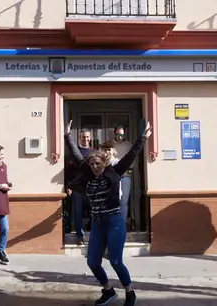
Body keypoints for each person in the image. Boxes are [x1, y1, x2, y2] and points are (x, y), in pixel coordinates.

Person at [64, 120, 152, 306]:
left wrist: (142, 138)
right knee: (93, 262)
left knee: (116, 261)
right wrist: (67, 136)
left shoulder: (114, 172)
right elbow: (76, 154)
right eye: (92, 164)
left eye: (98, 164)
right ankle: (108, 290)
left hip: (114, 222)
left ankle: (130, 293)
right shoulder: (88, 174)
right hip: (98, 224)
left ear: (104, 163)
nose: (95, 167)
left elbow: (130, 156)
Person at [66, 128, 95, 245]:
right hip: (77, 188)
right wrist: (69, 185)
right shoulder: (75, 152)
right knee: (77, 212)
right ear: (79, 138)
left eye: (87, 137)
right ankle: (80, 236)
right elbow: (69, 171)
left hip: (91, 186)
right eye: (83, 137)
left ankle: (94, 236)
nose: (85, 139)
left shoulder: (94, 152)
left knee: (94, 211)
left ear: (90, 138)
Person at [112, 125, 133, 222]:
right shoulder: (110, 145)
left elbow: (132, 161)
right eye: (118, 134)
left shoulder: (129, 145)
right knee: (114, 201)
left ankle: (123, 224)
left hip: (126, 177)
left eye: (122, 134)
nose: (120, 137)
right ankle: (115, 223)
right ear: (114, 133)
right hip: (113, 177)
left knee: (124, 202)